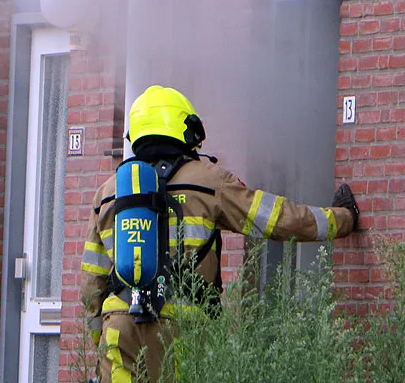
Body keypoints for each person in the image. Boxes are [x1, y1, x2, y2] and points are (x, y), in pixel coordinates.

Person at [81, 85, 361, 383]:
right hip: (183, 324)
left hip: (120, 325)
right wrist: (341, 219)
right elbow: (276, 218)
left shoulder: (108, 194)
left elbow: (91, 281)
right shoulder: (208, 180)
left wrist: (102, 333)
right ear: (185, 131)